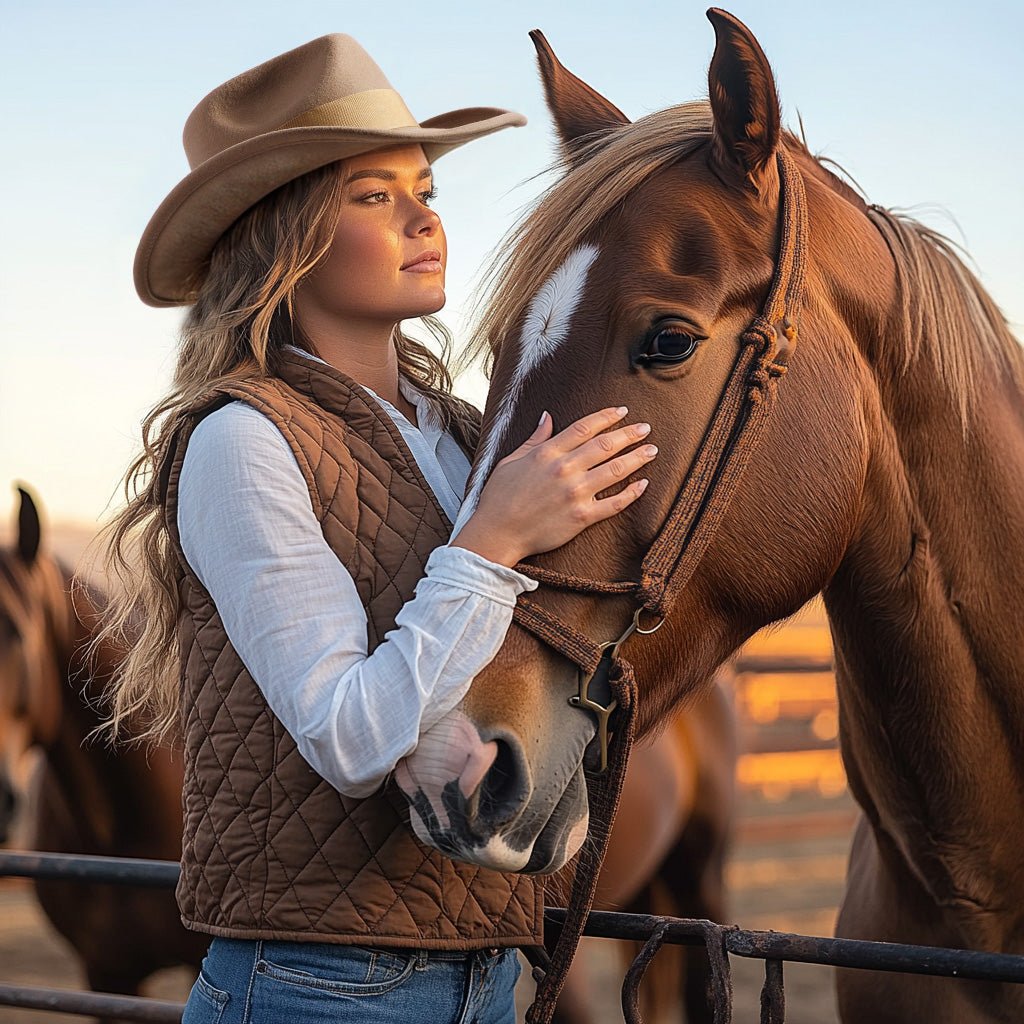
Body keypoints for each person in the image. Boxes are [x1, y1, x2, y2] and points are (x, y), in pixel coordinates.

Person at [94, 31, 658, 1024]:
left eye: (426, 192)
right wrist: (490, 542)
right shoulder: (242, 440)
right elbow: (350, 735)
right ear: (287, 232)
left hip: (489, 974)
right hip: (317, 988)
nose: (422, 218)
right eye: (372, 196)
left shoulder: (470, 437)